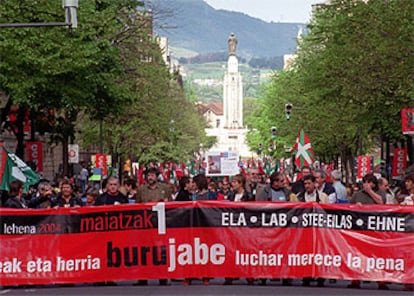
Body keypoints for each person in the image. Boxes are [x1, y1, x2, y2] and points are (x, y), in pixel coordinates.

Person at [348, 173, 388, 290]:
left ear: (374, 184)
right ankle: (355, 279)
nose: (366, 185)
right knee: (357, 255)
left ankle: (380, 281)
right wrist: (356, 206)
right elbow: (348, 208)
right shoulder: (357, 195)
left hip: (375, 230)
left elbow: (381, 202)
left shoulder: (380, 193)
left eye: (369, 182)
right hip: (360, 230)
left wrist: (370, 192)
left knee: (377, 256)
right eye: (365, 182)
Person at [135, 167, 171, 286]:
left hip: (160, 224)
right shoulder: (141, 190)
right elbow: (137, 206)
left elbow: (170, 205)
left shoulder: (165, 188)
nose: (150, 177)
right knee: (144, 251)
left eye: (152, 175)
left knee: (161, 251)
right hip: (146, 224)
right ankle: (143, 278)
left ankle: (162, 277)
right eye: (148, 175)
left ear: (157, 176)